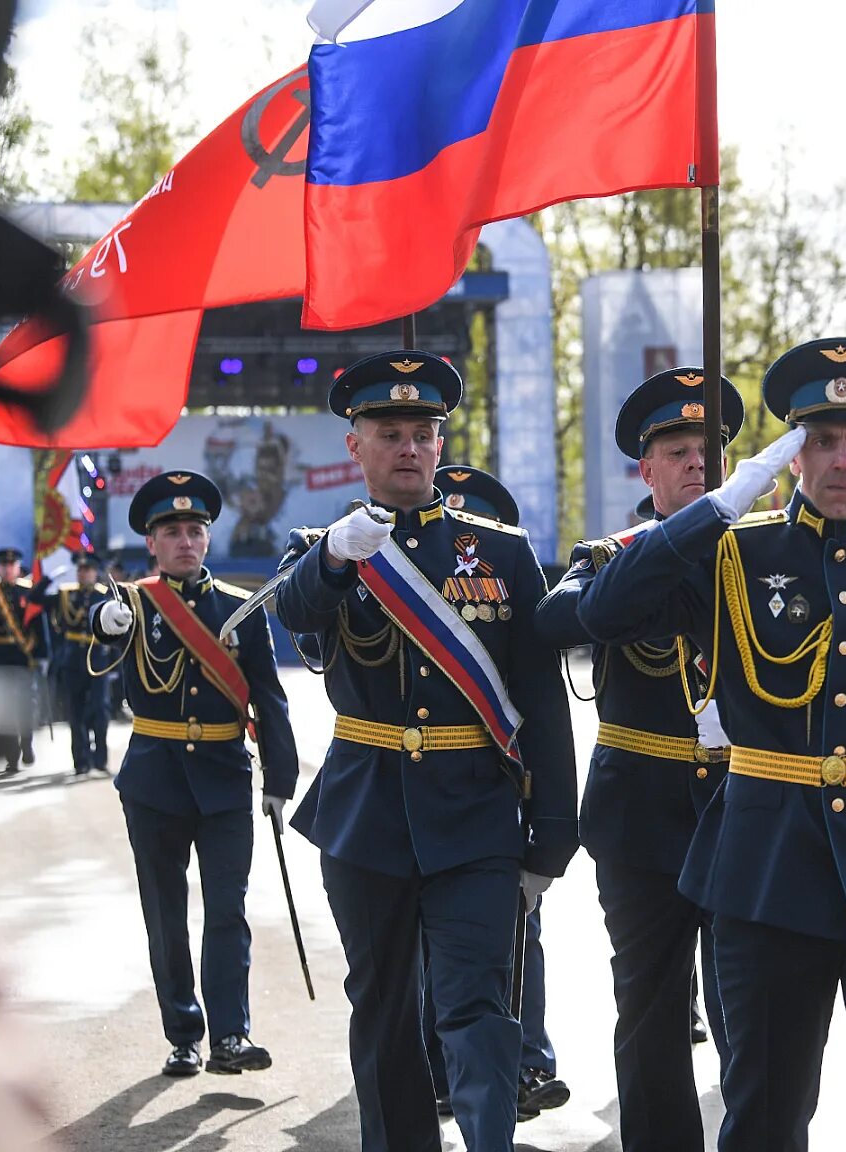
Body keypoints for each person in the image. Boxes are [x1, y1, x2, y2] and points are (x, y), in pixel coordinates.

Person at [577, 337, 846, 1151]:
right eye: (821, 441)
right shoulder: (731, 551)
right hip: (766, 875)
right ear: (794, 455)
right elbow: (603, 613)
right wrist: (710, 510)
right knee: (766, 1115)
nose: (842, 459)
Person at [275, 350, 576, 1152]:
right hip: (366, 812)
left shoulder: (503, 554)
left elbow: (542, 699)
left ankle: (488, 1141)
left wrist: (554, 830)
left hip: (474, 811)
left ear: (441, 443)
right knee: (382, 1007)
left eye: (423, 432)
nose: (408, 447)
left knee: (477, 1003)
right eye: (389, 432)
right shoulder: (319, 547)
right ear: (356, 445)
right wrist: (338, 555)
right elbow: (297, 618)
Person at [534, 368, 743, 1151]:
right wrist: (662, 550)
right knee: (652, 1009)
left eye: (711, 453)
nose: (698, 465)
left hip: (741, 809)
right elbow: (557, 621)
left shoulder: (758, 558)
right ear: (645, 470)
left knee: (749, 1008)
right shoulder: (611, 556)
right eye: (679, 452)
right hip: (642, 818)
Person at [87, 471, 298, 1077]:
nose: (185, 541)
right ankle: (184, 1032)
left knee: (227, 909)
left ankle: (232, 1034)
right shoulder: (131, 604)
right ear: (151, 544)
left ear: (208, 538)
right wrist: (106, 621)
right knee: (166, 912)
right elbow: (99, 649)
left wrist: (278, 781)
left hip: (226, 778)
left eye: (195, 530)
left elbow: (269, 697)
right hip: (154, 779)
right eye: (172, 532)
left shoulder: (240, 607)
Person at [426, 463, 571, 1121]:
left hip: (499, 787)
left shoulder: (510, 574)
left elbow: (540, 698)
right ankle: (441, 1063)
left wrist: (549, 822)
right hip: (427, 791)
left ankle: (529, 1059)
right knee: (437, 949)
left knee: (519, 931)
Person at [0, 546, 46, 773]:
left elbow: (37, 625)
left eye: (11, 565)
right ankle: (11, 755)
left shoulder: (28, 591)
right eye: (3, 566)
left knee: (25, 706)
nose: (7, 569)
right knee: (4, 708)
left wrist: (43, 654)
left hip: (22, 657)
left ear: (17, 568)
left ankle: (26, 742)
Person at [45, 550, 112, 776]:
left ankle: (100, 758)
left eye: (89, 570)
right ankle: (81, 760)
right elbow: (34, 600)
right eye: (81, 570)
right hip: (73, 660)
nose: (85, 574)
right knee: (76, 711)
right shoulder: (65, 595)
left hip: (98, 659)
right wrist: (48, 578)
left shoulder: (104, 596)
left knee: (100, 710)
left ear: (96, 572)